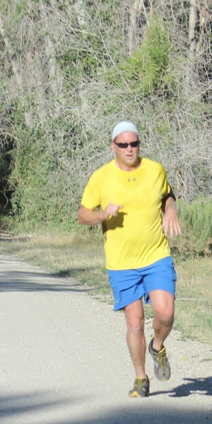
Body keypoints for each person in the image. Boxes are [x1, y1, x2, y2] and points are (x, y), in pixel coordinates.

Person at [77, 121, 182, 397]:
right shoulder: (101, 177)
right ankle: (140, 378)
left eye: (133, 143)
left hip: (155, 255)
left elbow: (167, 196)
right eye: (123, 144)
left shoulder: (154, 170)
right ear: (113, 146)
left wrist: (170, 210)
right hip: (121, 262)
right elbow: (82, 214)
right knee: (134, 322)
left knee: (166, 312)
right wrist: (102, 215)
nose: (129, 149)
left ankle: (157, 345)